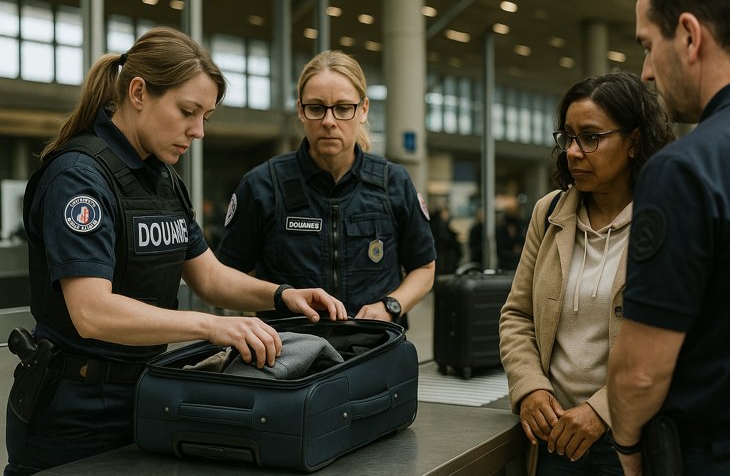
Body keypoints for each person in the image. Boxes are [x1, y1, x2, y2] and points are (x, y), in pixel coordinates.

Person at [4, 27, 347, 476]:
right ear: (139, 92)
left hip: (147, 397)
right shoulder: (79, 178)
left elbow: (208, 276)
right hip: (73, 414)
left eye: (206, 116)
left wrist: (284, 295)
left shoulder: (162, 179)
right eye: (188, 111)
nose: (198, 130)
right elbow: (92, 311)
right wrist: (210, 326)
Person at [607, 0, 730, 474]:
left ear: (690, 35)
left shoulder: (686, 168)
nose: (647, 71)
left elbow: (639, 375)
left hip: (725, 455)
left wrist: (630, 451)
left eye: (648, 44)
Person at [498, 71, 673, 476]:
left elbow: (676, 340)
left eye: (591, 137)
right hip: (553, 435)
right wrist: (530, 387)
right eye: (568, 137)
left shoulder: (664, 219)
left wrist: (603, 410)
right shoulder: (550, 212)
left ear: (633, 141)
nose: (574, 152)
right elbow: (517, 315)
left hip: (629, 441)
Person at [216, 50, 436, 326]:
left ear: (363, 109)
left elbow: (425, 268)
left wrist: (391, 305)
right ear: (300, 109)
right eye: (317, 108)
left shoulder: (394, 183)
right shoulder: (263, 186)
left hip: (375, 349)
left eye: (343, 108)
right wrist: (280, 296)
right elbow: (225, 278)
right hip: (291, 357)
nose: (329, 121)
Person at [430, 206, 461, 275]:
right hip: (444, 254)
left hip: (440, 254)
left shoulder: (435, 223)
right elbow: (445, 238)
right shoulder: (441, 224)